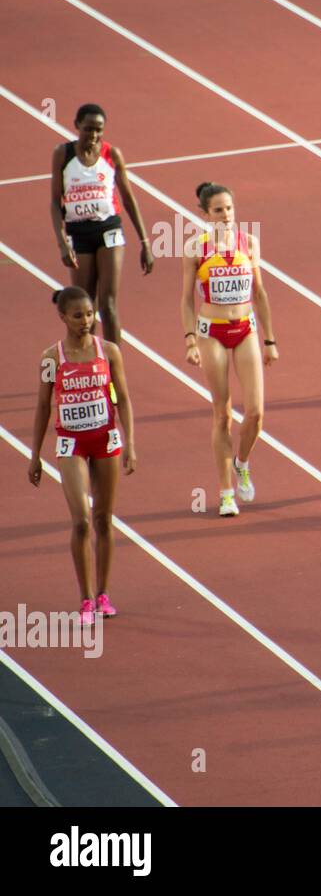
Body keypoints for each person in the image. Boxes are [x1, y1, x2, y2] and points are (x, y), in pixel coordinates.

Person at [28, 287, 136, 624]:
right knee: (82, 521)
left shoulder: (110, 352)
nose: (86, 321)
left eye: (90, 314)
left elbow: (124, 400)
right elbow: (44, 406)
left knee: (104, 519)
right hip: (71, 444)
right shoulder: (52, 357)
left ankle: (103, 594)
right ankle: (86, 598)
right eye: (78, 316)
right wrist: (34, 456)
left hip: (105, 440)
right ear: (62, 317)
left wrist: (130, 443)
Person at [181, 182, 277, 517]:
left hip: (246, 329)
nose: (226, 215)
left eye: (229, 209)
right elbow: (185, 300)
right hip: (212, 334)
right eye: (218, 210)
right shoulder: (196, 248)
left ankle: (242, 462)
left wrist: (270, 339)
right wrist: (190, 339)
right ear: (205, 214)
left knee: (256, 413)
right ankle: (225, 494)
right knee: (222, 413)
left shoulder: (248, 244)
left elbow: (261, 293)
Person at [50, 103, 154, 344]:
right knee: (85, 304)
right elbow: (55, 203)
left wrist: (145, 242)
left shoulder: (111, 154)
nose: (93, 135)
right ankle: (89, 360)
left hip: (109, 229)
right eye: (88, 129)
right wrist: (62, 243)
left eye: (98, 130)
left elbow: (128, 198)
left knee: (108, 303)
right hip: (78, 232)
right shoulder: (63, 155)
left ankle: (112, 364)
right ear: (77, 126)